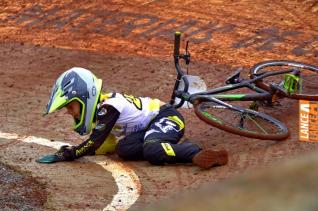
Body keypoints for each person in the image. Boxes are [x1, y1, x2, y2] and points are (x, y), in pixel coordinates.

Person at [37, 67, 228, 169]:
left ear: (85, 97)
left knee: (152, 150)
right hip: (151, 128)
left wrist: (70, 153)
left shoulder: (107, 109)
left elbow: (95, 142)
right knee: (124, 149)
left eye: (70, 106)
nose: (68, 112)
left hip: (167, 117)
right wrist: (83, 150)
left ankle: (197, 153)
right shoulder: (102, 111)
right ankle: (163, 146)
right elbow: (106, 144)